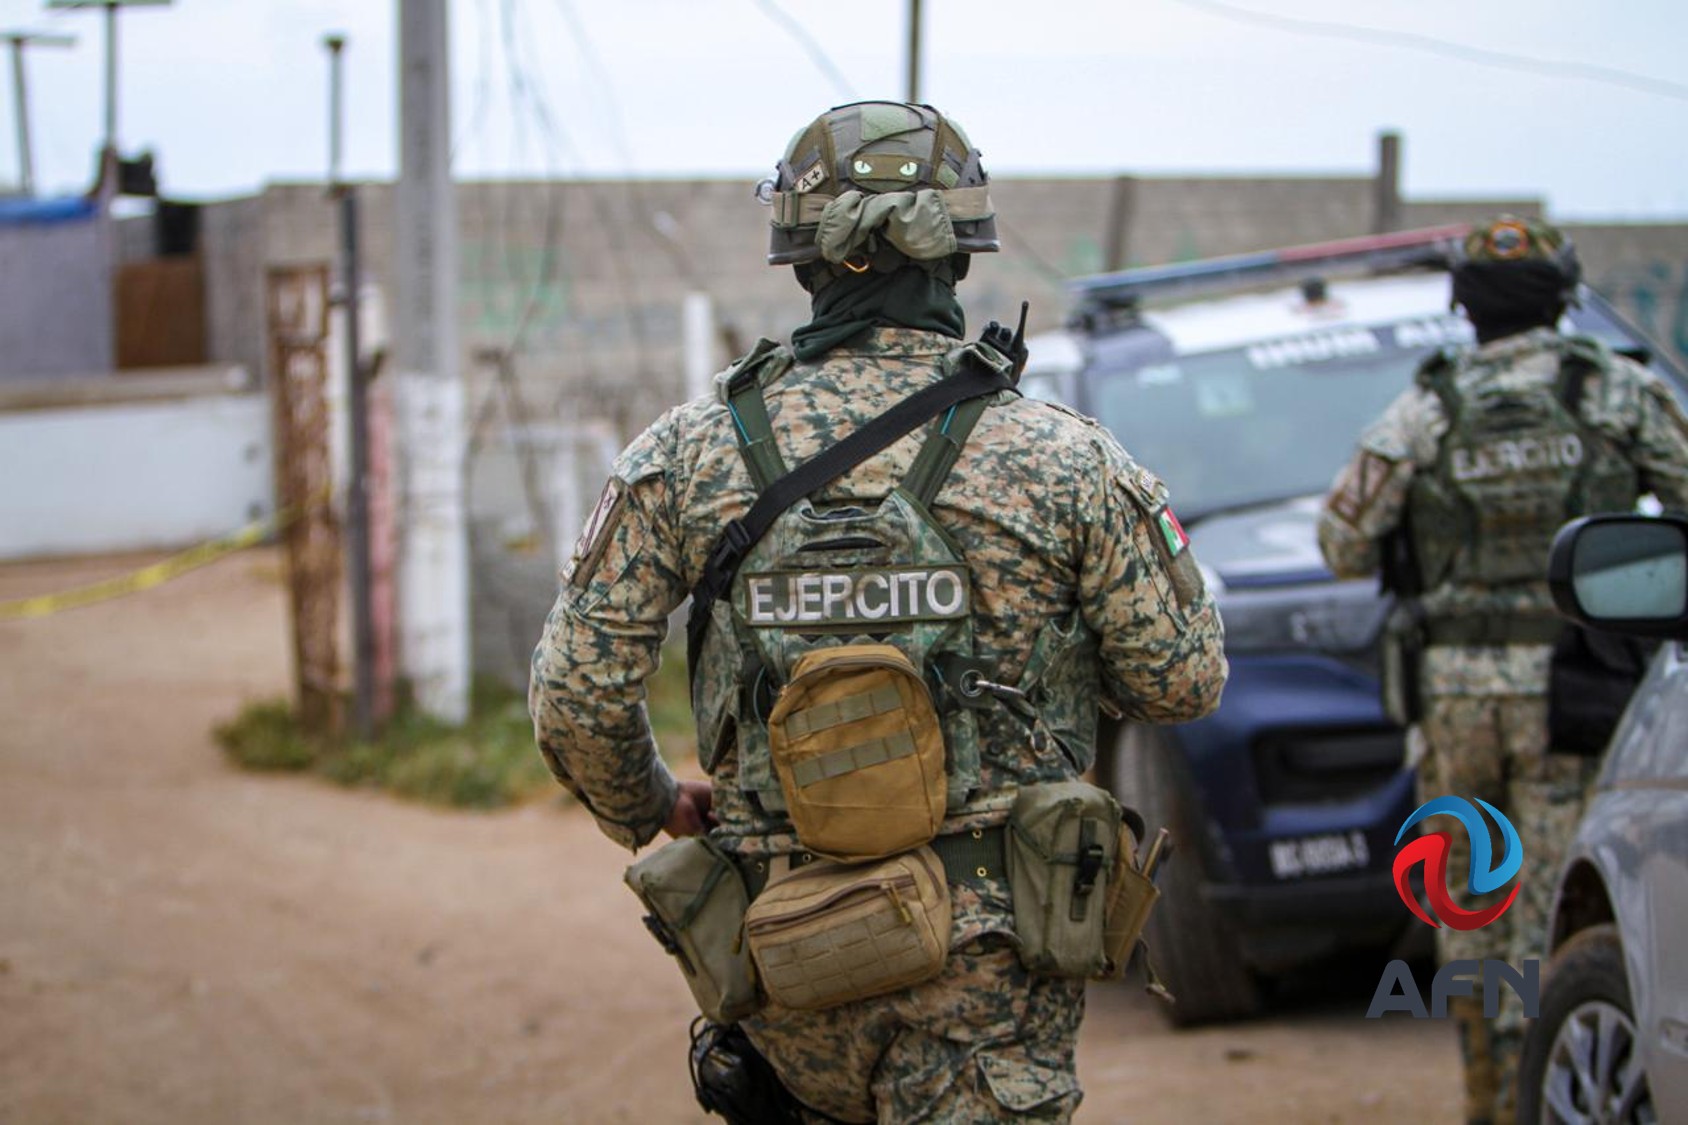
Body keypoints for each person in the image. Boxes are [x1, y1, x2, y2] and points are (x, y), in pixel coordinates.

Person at [530, 100, 1228, 1123]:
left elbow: (574, 699)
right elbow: (1183, 681)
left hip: (786, 963)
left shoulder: (684, 455)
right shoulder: (1062, 457)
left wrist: (650, 805)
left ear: (801, 255)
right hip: (993, 972)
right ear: (958, 253)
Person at [1318, 214, 1688, 1123]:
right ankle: (1553, 1088)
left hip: (1456, 694)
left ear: (1465, 304)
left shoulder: (1428, 406)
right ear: (1563, 297)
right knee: (1562, 898)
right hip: (1578, 689)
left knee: (1472, 903)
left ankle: (1490, 1097)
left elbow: (1341, 543)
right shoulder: (1615, 393)